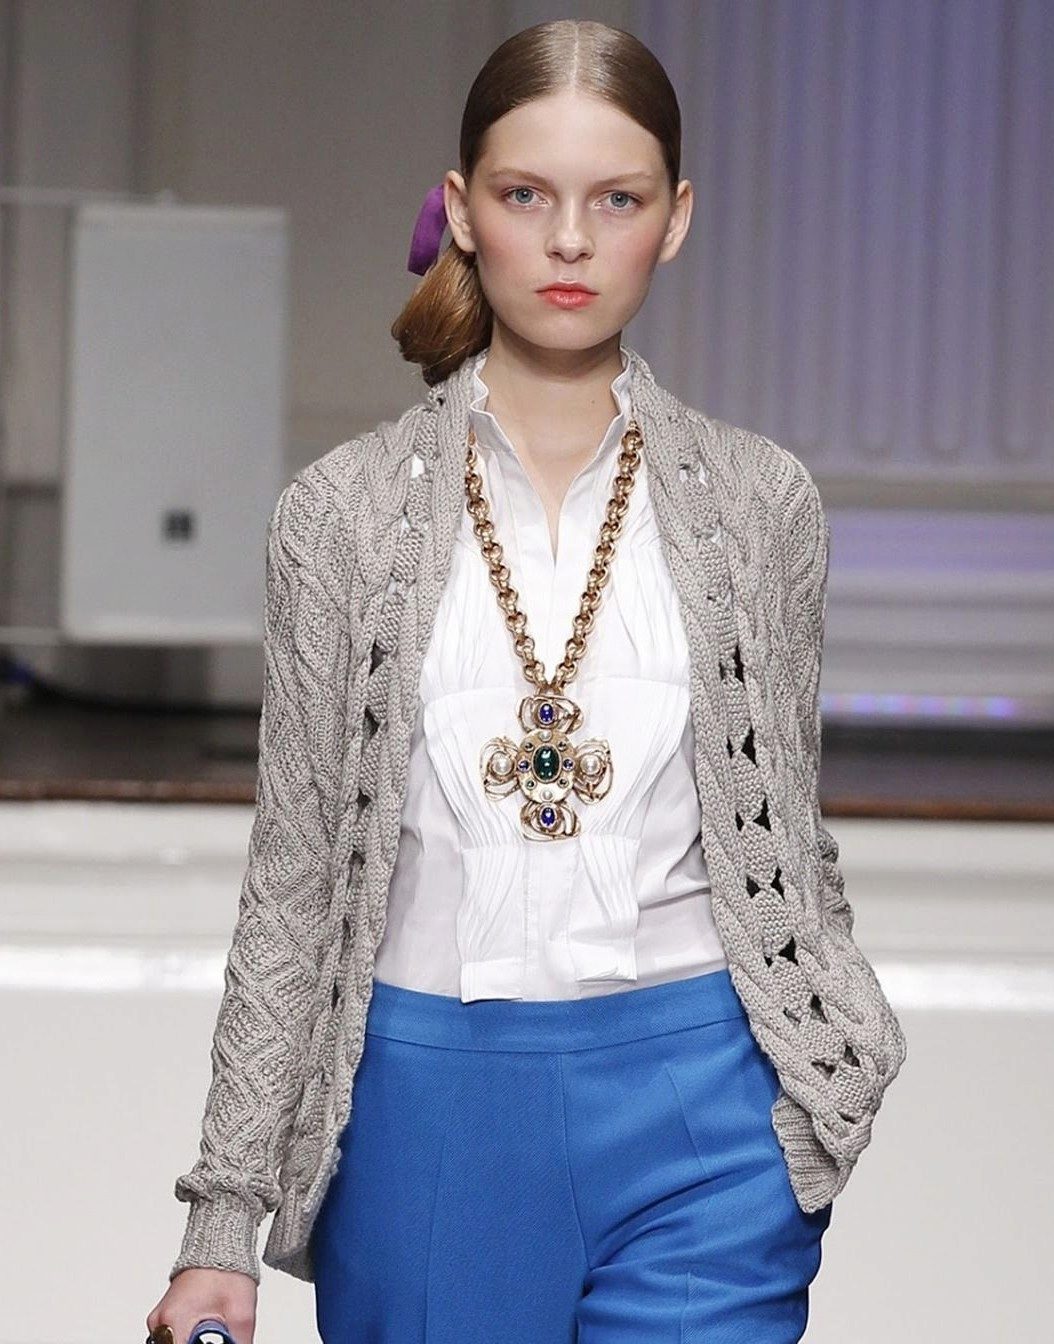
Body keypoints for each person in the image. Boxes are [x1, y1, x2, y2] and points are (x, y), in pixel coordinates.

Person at [147, 18, 907, 1344]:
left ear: (674, 220)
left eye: (614, 200)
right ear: (460, 210)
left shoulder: (760, 505)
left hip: (709, 1111)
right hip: (426, 1109)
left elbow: (786, 830)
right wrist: (223, 1220)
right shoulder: (340, 516)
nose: (568, 242)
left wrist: (824, 1064)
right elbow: (294, 880)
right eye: (524, 196)